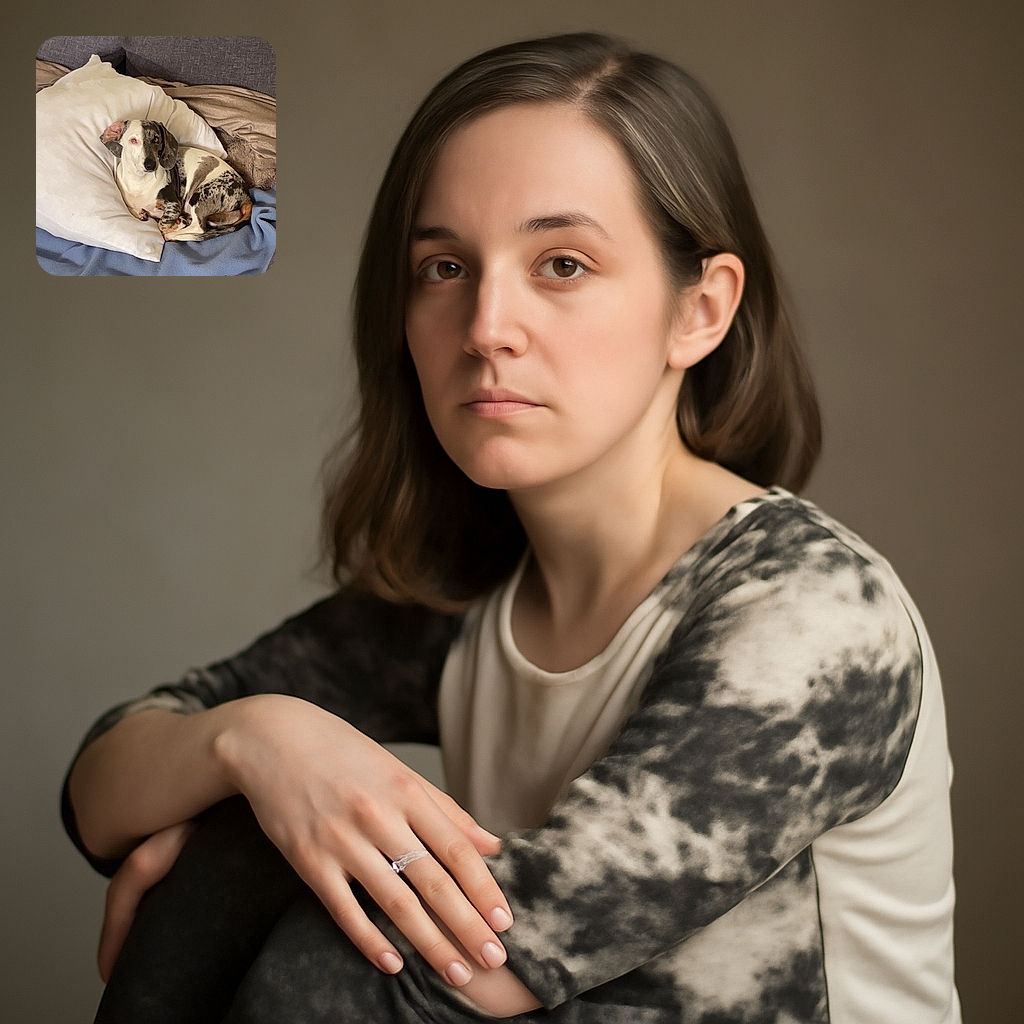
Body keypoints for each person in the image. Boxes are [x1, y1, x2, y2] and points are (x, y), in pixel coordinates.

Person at [62, 32, 961, 1023]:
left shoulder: (813, 614)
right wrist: (254, 740)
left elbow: (456, 967)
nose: (487, 326)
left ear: (699, 311)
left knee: (300, 898)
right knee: (234, 836)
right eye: (445, 266)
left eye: (562, 264)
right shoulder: (474, 595)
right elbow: (102, 796)